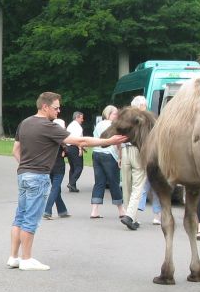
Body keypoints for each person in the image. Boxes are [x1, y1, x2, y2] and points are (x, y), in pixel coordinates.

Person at [9, 93, 126, 271]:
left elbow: (15, 150)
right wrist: (109, 140)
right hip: (38, 177)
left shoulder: (24, 123)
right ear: (45, 107)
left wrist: (25, 167)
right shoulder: (48, 126)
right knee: (31, 219)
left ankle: (13, 257)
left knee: (20, 217)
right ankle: (26, 259)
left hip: (23, 175)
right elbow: (80, 141)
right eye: (56, 108)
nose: (59, 111)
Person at [89, 105, 127, 220]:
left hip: (96, 153)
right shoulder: (113, 125)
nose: (117, 116)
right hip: (109, 155)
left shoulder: (99, 124)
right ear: (108, 114)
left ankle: (94, 210)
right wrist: (120, 158)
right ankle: (121, 209)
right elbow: (118, 143)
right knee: (114, 182)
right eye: (115, 114)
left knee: (99, 182)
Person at [120, 95, 150, 231]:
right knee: (138, 185)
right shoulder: (143, 119)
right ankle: (130, 216)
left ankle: (131, 216)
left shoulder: (125, 117)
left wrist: (120, 156)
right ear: (141, 106)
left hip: (125, 150)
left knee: (126, 185)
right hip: (137, 151)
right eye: (145, 105)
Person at [42, 117, 70, 219]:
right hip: (59, 167)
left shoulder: (47, 139)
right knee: (55, 188)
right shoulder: (61, 139)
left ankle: (62, 211)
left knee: (56, 189)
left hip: (48, 166)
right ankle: (47, 210)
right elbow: (67, 151)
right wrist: (65, 153)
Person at [65, 111, 85, 192]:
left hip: (68, 147)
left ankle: (72, 186)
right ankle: (71, 183)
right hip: (75, 147)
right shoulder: (78, 127)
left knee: (73, 167)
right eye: (81, 118)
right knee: (79, 167)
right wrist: (80, 149)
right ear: (77, 117)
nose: (82, 120)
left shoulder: (70, 125)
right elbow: (77, 140)